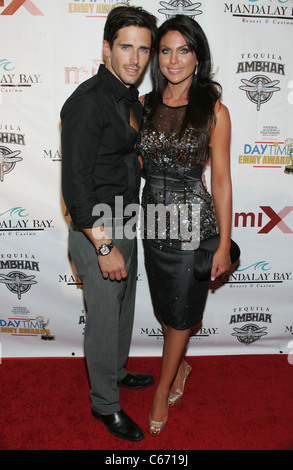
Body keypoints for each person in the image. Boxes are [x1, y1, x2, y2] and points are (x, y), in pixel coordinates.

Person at [61, 6, 157, 442]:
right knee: (102, 318)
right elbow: (76, 185)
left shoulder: (127, 98)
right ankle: (105, 404)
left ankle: (116, 372)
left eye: (143, 49)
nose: (135, 58)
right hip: (97, 228)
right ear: (106, 48)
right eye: (125, 47)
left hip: (126, 219)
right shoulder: (88, 101)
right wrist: (103, 245)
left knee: (121, 309)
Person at [137, 15, 232, 436]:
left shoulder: (214, 111)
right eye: (165, 50)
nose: (173, 60)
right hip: (154, 220)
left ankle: (162, 390)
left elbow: (223, 181)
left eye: (184, 50)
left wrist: (224, 245)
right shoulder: (144, 105)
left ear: (198, 56)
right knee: (167, 306)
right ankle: (181, 367)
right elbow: (137, 162)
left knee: (179, 314)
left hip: (194, 224)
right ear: (157, 57)